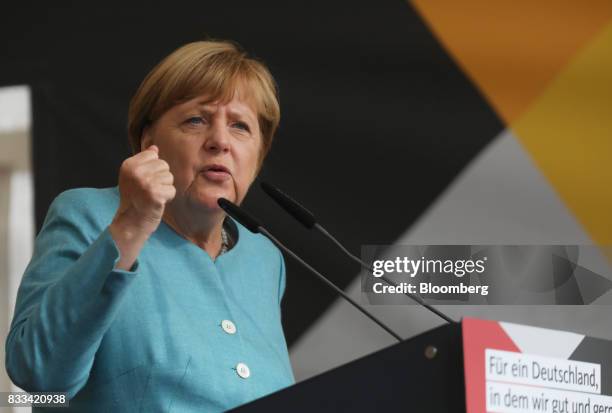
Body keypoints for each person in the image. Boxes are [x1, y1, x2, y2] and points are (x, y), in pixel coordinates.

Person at [5, 40, 295, 412]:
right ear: (148, 141)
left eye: (241, 126)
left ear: (258, 156)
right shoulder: (91, 215)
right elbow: (39, 375)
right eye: (197, 119)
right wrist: (131, 225)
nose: (220, 141)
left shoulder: (265, 260)